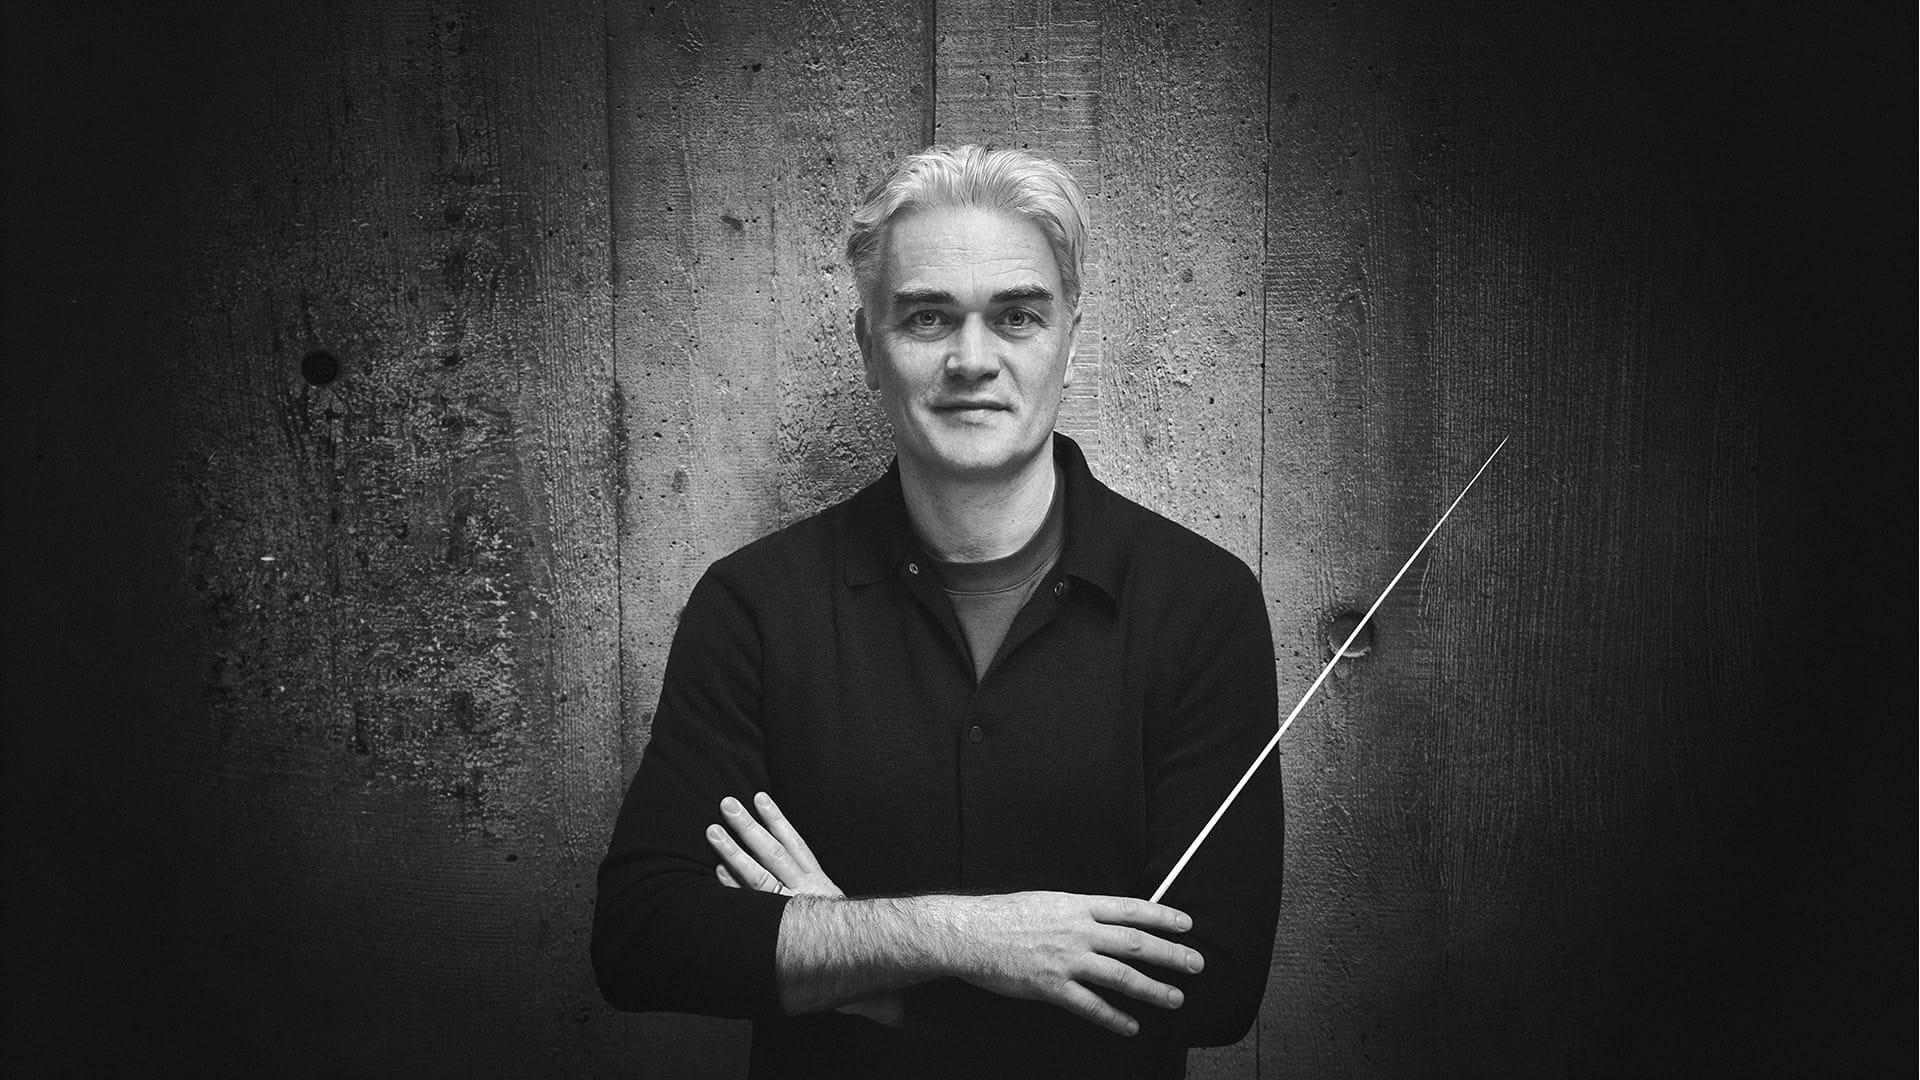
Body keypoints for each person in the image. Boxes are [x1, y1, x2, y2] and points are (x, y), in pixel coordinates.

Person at [592, 145, 1284, 1078]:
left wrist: (857, 967)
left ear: (1069, 342)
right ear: (867, 346)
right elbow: (645, 940)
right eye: (926, 317)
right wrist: (963, 936)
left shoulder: (1203, 607)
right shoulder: (752, 605)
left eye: (1016, 316)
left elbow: (1211, 988)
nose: (971, 359)